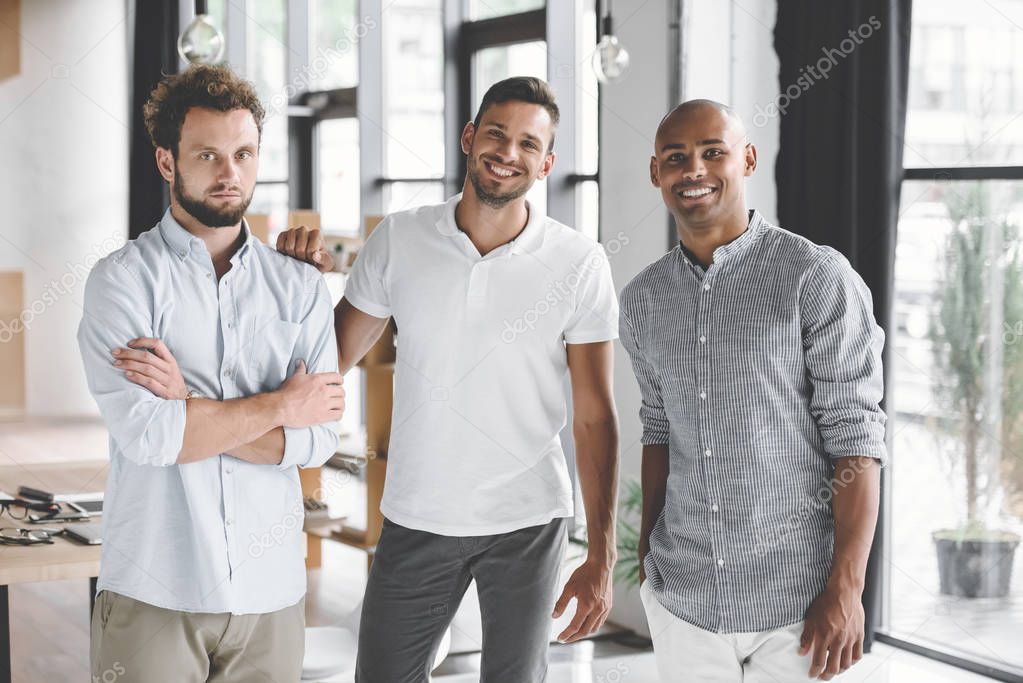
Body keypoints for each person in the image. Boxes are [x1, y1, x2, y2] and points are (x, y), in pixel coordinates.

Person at [274, 76, 621, 682]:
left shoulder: (580, 262)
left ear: (547, 164)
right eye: (496, 132)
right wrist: (297, 285)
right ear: (469, 136)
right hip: (417, 513)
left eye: (527, 144)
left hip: (528, 518)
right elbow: (325, 363)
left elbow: (596, 415)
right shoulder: (400, 239)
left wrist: (601, 549)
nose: (508, 152)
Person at [78, 64, 344, 683]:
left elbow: (320, 439)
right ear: (167, 162)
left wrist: (190, 403)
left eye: (244, 154)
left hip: (271, 595)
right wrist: (282, 405)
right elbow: (151, 437)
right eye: (208, 155)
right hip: (155, 586)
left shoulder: (299, 286)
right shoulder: (121, 282)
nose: (230, 174)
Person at [619, 99, 885, 682]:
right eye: (675, 157)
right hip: (683, 602)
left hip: (796, 607)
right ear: (656, 173)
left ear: (747, 159)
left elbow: (857, 442)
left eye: (713, 152)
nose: (694, 170)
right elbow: (658, 430)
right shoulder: (641, 300)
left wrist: (847, 587)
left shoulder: (815, 276)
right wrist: (647, 562)